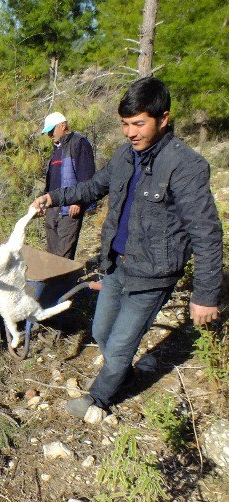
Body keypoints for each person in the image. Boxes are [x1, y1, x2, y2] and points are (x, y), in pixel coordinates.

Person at [31, 77, 222, 420]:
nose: (130, 132)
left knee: (120, 345)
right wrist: (54, 197)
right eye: (124, 124)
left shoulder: (185, 166)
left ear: (163, 119)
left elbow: (206, 232)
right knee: (101, 331)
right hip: (117, 265)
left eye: (138, 123)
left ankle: (98, 398)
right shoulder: (125, 156)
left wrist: (206, 295)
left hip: (153, 273)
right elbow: (93, 186)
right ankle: (123, 374)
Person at [40, 112, 96, 260]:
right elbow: (52, 179)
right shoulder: (57, 148)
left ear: (62, 125)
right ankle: (52, 281)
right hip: (53, 206)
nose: (49, 135)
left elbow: (87, 176)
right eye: (48, 132)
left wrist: (78, 202)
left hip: (70, 206)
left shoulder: (79, 143)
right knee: (51, 252)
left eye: (52, 130)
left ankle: (64, 282)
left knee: (64, 253)